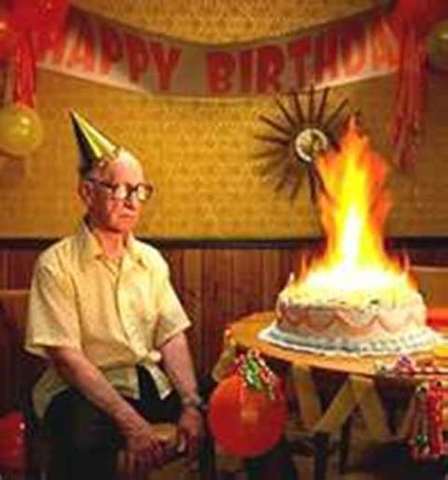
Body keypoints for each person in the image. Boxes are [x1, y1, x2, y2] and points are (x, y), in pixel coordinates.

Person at [25, 111, 204, 480]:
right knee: (80, 436)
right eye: (119, 189)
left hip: (146, 381)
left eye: (139, 190)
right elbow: (67, 359)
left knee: (233, 404)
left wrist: (190, 403)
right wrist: (132, 424)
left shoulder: (150, 260)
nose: (132, 202)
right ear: (87, 192)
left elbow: (171, 334)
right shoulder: (55, 264)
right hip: (83, 391)